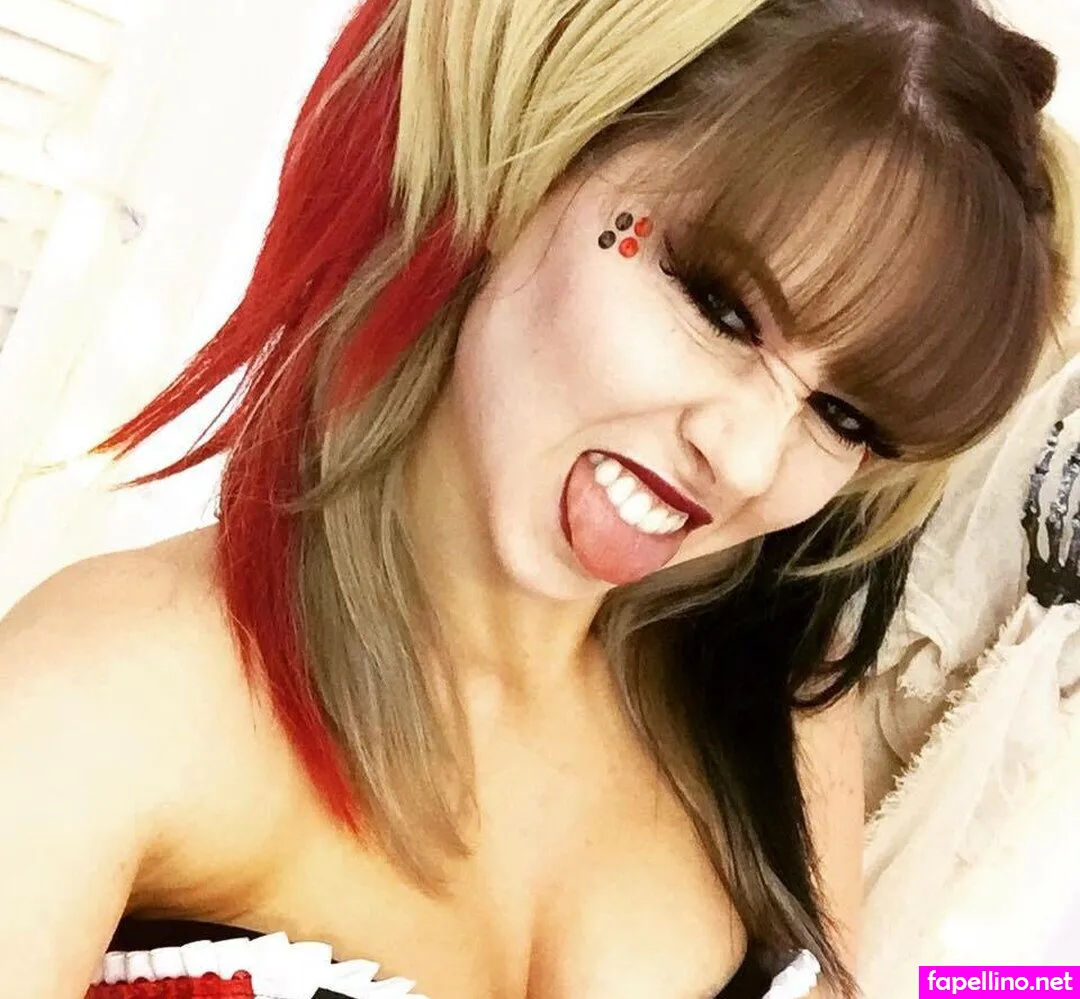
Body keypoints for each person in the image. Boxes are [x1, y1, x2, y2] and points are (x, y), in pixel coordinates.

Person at [0, 0, 1073, 996]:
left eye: (841, 417)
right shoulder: (111, 689)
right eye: (720, 308)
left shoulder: (779, 719)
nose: (747, 461)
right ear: (537, 155)